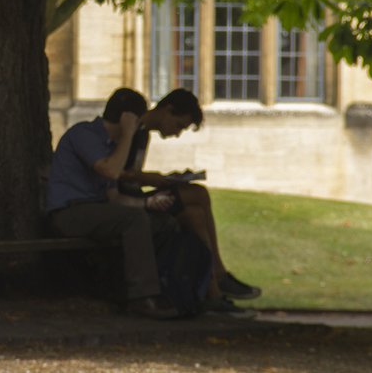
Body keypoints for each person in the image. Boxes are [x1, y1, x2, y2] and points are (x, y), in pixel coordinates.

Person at [110, 87, 262, 314]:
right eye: (179, 125)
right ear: (167, 110)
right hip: (123, 202)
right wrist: (154, 179)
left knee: (195, 215)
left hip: (135, 195)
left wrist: (164, 179)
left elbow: (132, 176)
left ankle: (213, 294)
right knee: (199, 194)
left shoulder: (143, 134)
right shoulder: (132, 130)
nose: (177, 133)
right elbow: (117, 173)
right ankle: (219, 274)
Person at [45, 94, 183, 320]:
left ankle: (148, 289)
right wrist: (128, 134)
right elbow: (111, 171)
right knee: (134, 220)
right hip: (69, 212)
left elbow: (114, 197)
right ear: (128, 119)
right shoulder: (85, 134)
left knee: (162, 222)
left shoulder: (112, 148)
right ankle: (142, 297)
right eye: (137, 121)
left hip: (97, 211)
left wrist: (147, 203)